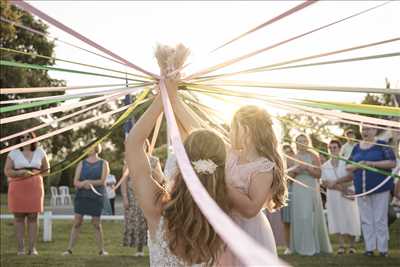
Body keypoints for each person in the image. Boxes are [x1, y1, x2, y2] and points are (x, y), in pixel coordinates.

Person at [125, 77, 231, 266]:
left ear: (183, 160)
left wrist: (163, 96)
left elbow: (133, 143)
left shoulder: (157, 207)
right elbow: (209, 146)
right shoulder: (227, 210)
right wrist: (173, 98)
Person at [217, 105, 287, 266]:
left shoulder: (263, 166)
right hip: (223, 227)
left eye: (233, 128)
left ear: (246, 130)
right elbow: (195, 127)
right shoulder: (231, 155)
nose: (230, 132)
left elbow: (251, 209)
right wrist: (173, 95)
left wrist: (221, 182)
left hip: (248, 232)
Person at [330, 125, 396, 257]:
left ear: (375, 130)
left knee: (380, 219)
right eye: (364, 129)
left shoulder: (382, 145)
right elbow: (348, 166)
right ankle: (369, 248)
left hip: (379, 187)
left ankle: (383, 249)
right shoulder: (356, 148)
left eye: (369, 129)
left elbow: (392, 163)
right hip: (362, 189)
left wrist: (371, 163)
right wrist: (358, 165)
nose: (366, 131)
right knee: (366, 219)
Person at [4, 132, 50, 255]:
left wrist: (36, 173)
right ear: (19, 139)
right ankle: (21, 249)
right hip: (17, 187)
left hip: (35, 187)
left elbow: (47, 170)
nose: (25, 139)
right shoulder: (13, 153)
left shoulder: (40, 152)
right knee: (19, 218)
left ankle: (32, 248)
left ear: (33, 138)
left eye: (28, 136)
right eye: (22, 137)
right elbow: (7, 171)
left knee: (33, 217)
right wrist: (20, 173)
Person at [62, 144, 110, 256]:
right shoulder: (81, 163)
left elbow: (103, 181)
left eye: (90, 147)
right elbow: (75, 182)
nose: (87, 148)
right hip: (82, 196)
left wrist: (89, 183)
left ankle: (101, 250)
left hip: (96, 196)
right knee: (77, 222)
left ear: (96, 148)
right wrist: (83, 184)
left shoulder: (104, 163)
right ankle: (69, 250)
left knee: (96, 223)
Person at [290, 134, 332, 255]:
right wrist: (295, 171)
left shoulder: (313, 155)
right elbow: (289, 177)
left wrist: (308, 168)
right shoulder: (293, 156)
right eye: (299, 141)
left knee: (309, 215)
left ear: (308, 143)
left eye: (304, 141)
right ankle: (299, 246)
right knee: (300, 216)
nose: (302, 143)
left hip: (310, 187)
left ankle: (313, 246)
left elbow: (319, 174)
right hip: (298, 187)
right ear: (296, 143)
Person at [321, 140, 360, 254]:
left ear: (340, 148)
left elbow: (351, 176)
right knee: (336, 218)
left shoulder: (346, 162)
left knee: (350, 217)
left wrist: (339, 184)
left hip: (349, 193)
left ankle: (352, 246)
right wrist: (341, 189)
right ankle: (341, 246)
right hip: (333, 195)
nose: (333, 150)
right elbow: (325, 183)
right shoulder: (325, 166)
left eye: (335, 147)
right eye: (331, 148)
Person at [281, 143, 296, 255]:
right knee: (286, 222)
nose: (288, 155)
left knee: (296, 221)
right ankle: (288, 246)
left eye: (290, 152)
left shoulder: (296, 165)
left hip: (297, 193)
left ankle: (296, 245)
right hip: (285, 195)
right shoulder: (280, 167)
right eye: (285, 153)